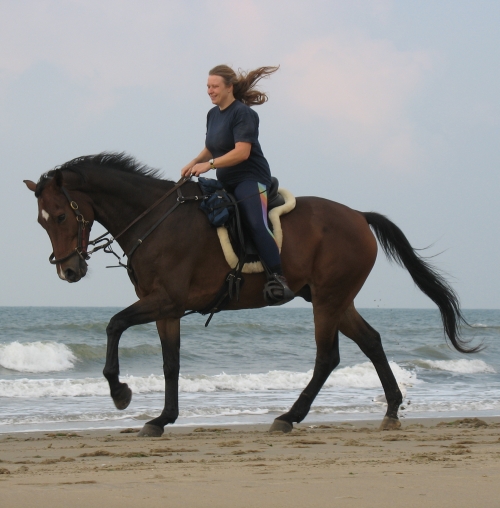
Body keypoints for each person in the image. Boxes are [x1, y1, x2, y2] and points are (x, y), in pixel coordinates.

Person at [180, 64, 294, 305]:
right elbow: (213, 145)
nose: (210, 91)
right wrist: (193, 162)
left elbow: (241, 152)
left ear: (229, 87)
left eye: (215, 86)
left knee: (255, 221)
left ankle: (277, 277)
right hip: (226, 180)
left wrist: (209, 165)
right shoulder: (213, 115)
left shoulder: (244, 114)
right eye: (208, 87)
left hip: (250, 178)